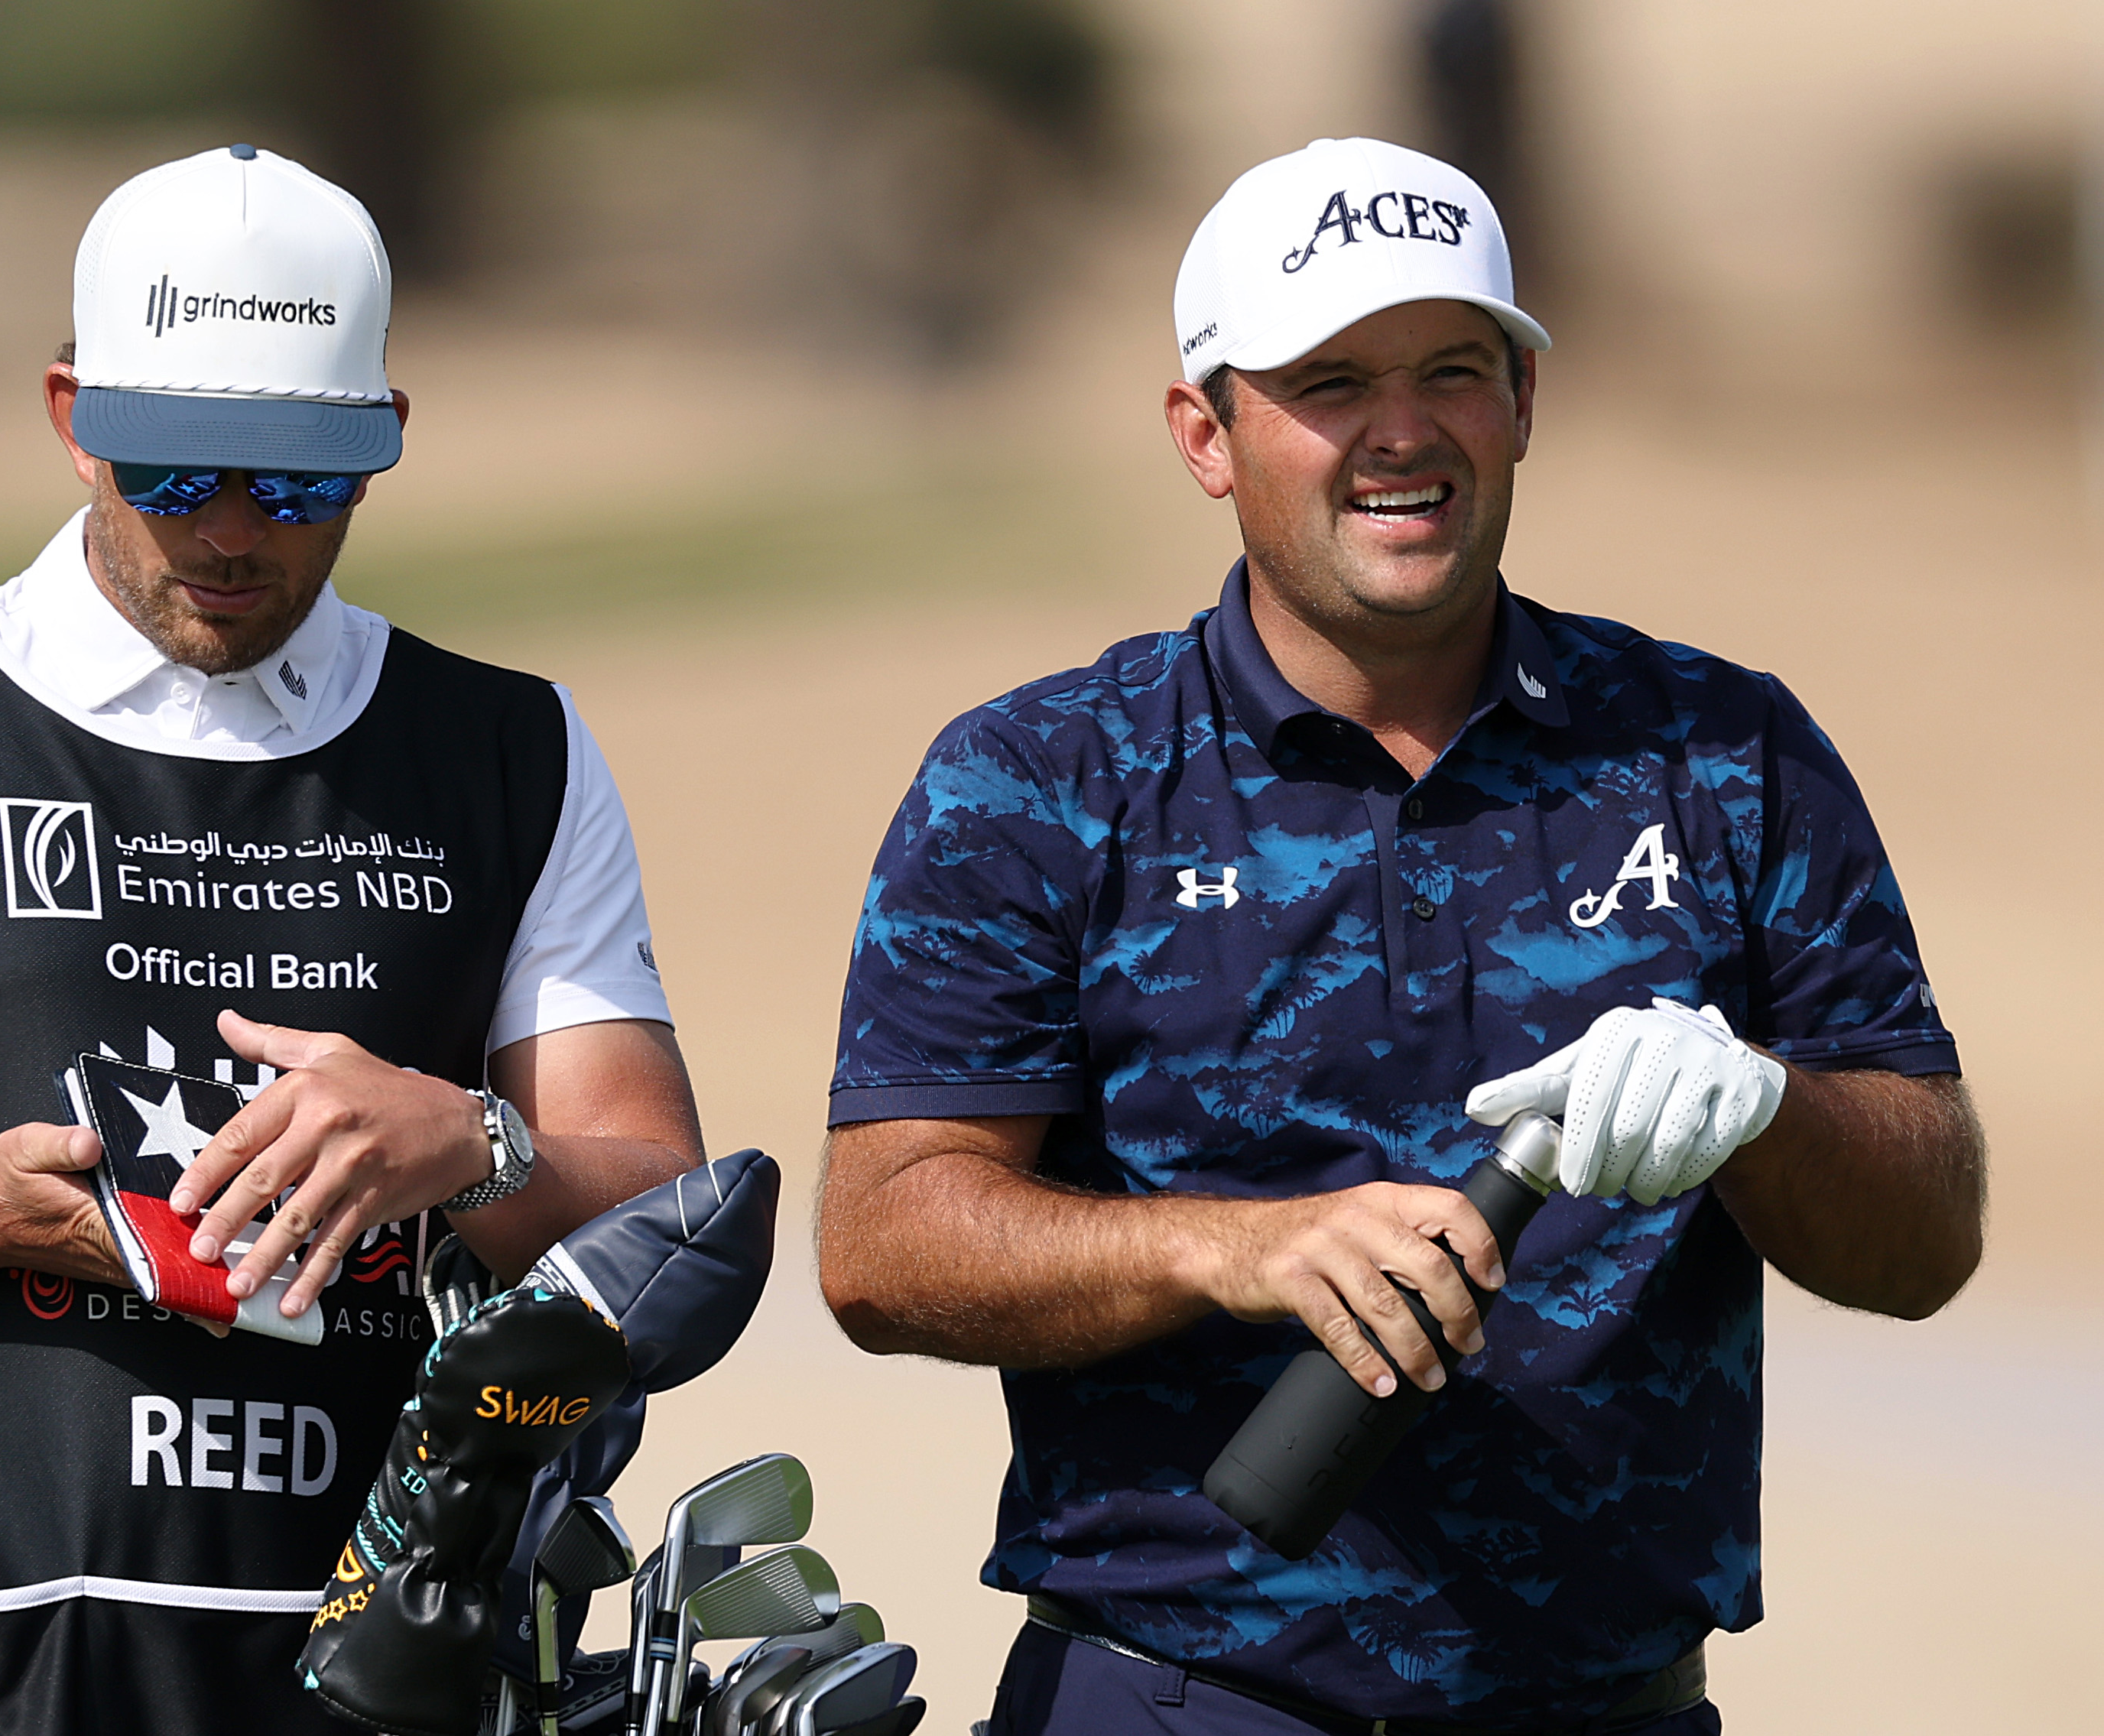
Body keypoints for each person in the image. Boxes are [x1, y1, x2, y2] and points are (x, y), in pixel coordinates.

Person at [817, 136, 1984, 1734]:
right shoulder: (1039, 777)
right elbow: (882, 1244)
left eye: (1452, 366)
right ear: (1204, 433)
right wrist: (1218, 1247)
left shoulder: (1721, 750)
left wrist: (1769, 1117)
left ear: (1521, 403)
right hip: (1172, 1693)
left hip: (1609, 1703)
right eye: (1327, 378)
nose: (1399, 428)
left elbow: (1923, 1238)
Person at [0, 144, 700, 1736]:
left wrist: (471, 1141)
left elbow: (669, 1219)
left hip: (381, 1663)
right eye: (172, 467)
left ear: (385, 441)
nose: (233, 533)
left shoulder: (514, 748)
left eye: (296, 481)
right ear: (67, 416)